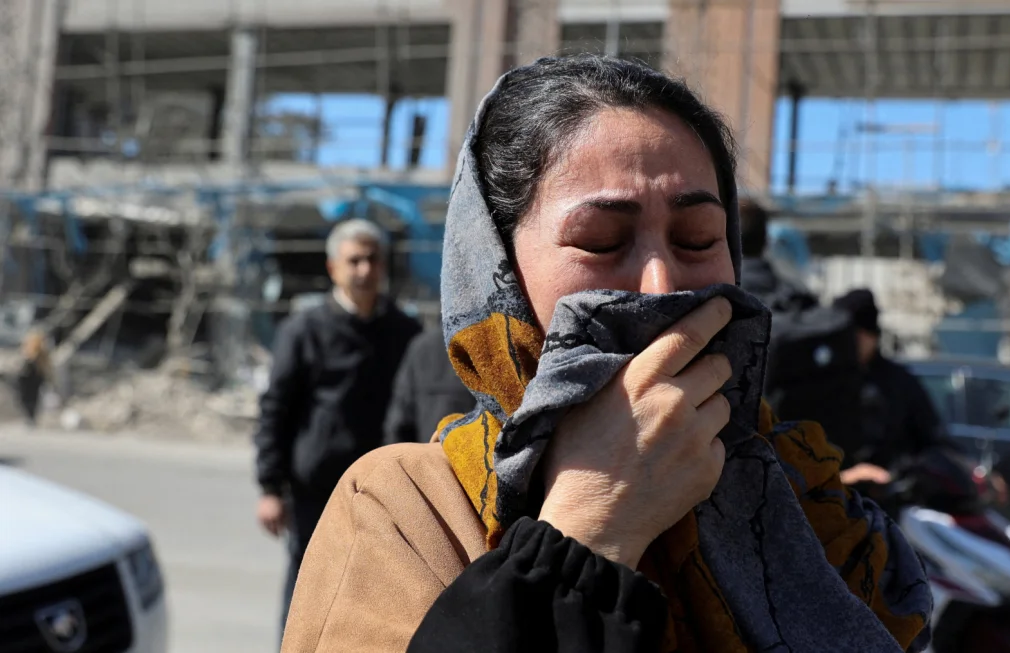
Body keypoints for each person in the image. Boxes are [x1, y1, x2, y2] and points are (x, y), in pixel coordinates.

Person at [282, 56, 930, 653]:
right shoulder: (409, 507)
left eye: (697, 239)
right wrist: (588, 529)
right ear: (496, 270)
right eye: (599, 241)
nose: (661, 287)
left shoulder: (811, 504)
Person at [252, 218, 421, 633]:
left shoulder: (406, 333)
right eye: (354, 260)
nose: (365, 269)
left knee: (376, 594)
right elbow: (275, 409)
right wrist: (270, 487)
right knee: (310, 590)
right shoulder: (304, 331)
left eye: (373, 260)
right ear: (333, 268)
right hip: (316, 488)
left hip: (384, 489)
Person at [831, 288, 950, 486]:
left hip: (890, 493)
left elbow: (932, 439)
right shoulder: (821, 383)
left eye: (859, 336)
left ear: (872, 336)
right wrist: (845, 477)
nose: (852, 345)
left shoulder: (899, 382)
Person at [383, 320, 476, 444]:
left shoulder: (420, 346)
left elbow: (399, 422)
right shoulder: (491, 346)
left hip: (426, 449)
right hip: (475, 451)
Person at [14, 331, 51, 427]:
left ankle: (31, 418)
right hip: (27, 380)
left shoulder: (40, 353)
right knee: (26, 399)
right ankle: (30, 418)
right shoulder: (28, 352)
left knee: (32, 400)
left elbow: (43, 368)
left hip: (34, 380)